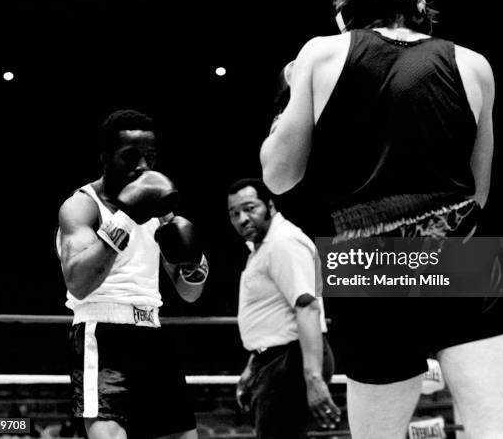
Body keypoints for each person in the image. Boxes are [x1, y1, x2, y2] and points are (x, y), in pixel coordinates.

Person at [260, 0, 503, 438]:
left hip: (366, 262)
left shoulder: (321, 53)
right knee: (500, 433)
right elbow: (479, 190)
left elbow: (279, 176)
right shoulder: (473, 64)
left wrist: (288, 103)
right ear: (420, 7)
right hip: (457, 254)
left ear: (346, 11)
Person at [57, 109, 208, 439]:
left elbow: (189, 292)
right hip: (104, 335)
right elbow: (79, 282)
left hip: (152, 333)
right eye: (130, 156)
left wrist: (194, 261)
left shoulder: (159, 210)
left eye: (149, 157)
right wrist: (126, 216)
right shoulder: (82, 205)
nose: (142, 167)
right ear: (106, 158)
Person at [227, 178, 341, 439]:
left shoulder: (283, 242)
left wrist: (313, 379)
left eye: (249, 208)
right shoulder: (264, 247)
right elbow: (274, 313)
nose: (242, 219)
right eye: (234, 213)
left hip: (292, 360)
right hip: (277, 360)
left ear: (270, 205)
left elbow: (308, 306)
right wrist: (253, 364)